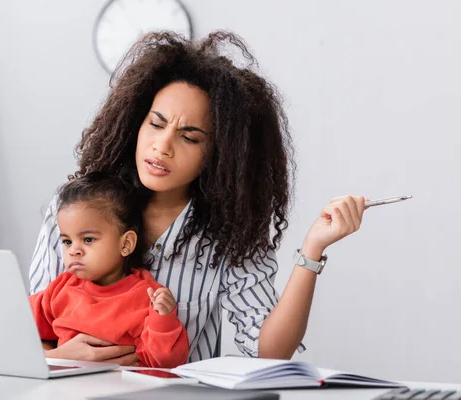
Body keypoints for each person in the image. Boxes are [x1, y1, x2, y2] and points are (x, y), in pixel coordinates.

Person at [29, 30, 367, 365]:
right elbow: (30, 331)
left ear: (220, 156)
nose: (162, 147)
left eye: (189, 137)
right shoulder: (75, 209)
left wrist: (312, 250)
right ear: (135, 123)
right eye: (156, 124)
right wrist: (60, 358)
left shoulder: (232, 233)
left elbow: (269, 352)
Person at [29, 172, 189, 368]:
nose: (74, 251)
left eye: (88, 239)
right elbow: (18, 327)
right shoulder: (60, 288)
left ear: (126, 244)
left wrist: (164, 320)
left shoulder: (145, 296)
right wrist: (52, 356)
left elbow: (164, 361)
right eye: (67, 241)